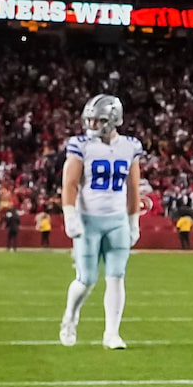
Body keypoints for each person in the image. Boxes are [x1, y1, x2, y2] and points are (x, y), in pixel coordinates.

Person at [58, 93, 145, 349]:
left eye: (98, 120)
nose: (92, 125)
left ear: (113, 119)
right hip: (88, 221)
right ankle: (70, 317)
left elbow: (133, 187)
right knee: (86, 279)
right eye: (90, 120)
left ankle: (112, 333)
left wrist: (133, 221)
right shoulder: (81, 145)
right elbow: (70, 183)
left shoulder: (130, 146)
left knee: (117, 276)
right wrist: (70, 215)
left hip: (117, 219)